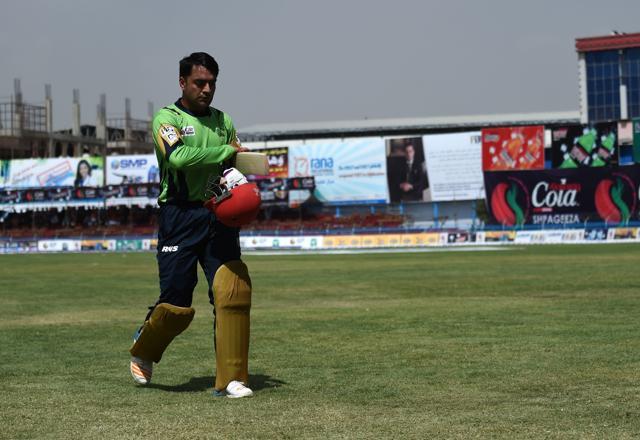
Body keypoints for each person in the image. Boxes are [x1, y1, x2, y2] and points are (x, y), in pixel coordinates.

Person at [128, 52, 254, 398]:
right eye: (200, 82)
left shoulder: (223, 120)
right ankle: (145, 347)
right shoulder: (165, 119)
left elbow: (231, 163)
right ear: (182, 82)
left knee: (233, 293)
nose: (207, 89)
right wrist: (223, 151)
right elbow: (178, 157)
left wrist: (243, 177)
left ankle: (232, 378)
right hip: (178, 217)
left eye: (212, 83)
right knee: (176, 306)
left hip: (217, 212)